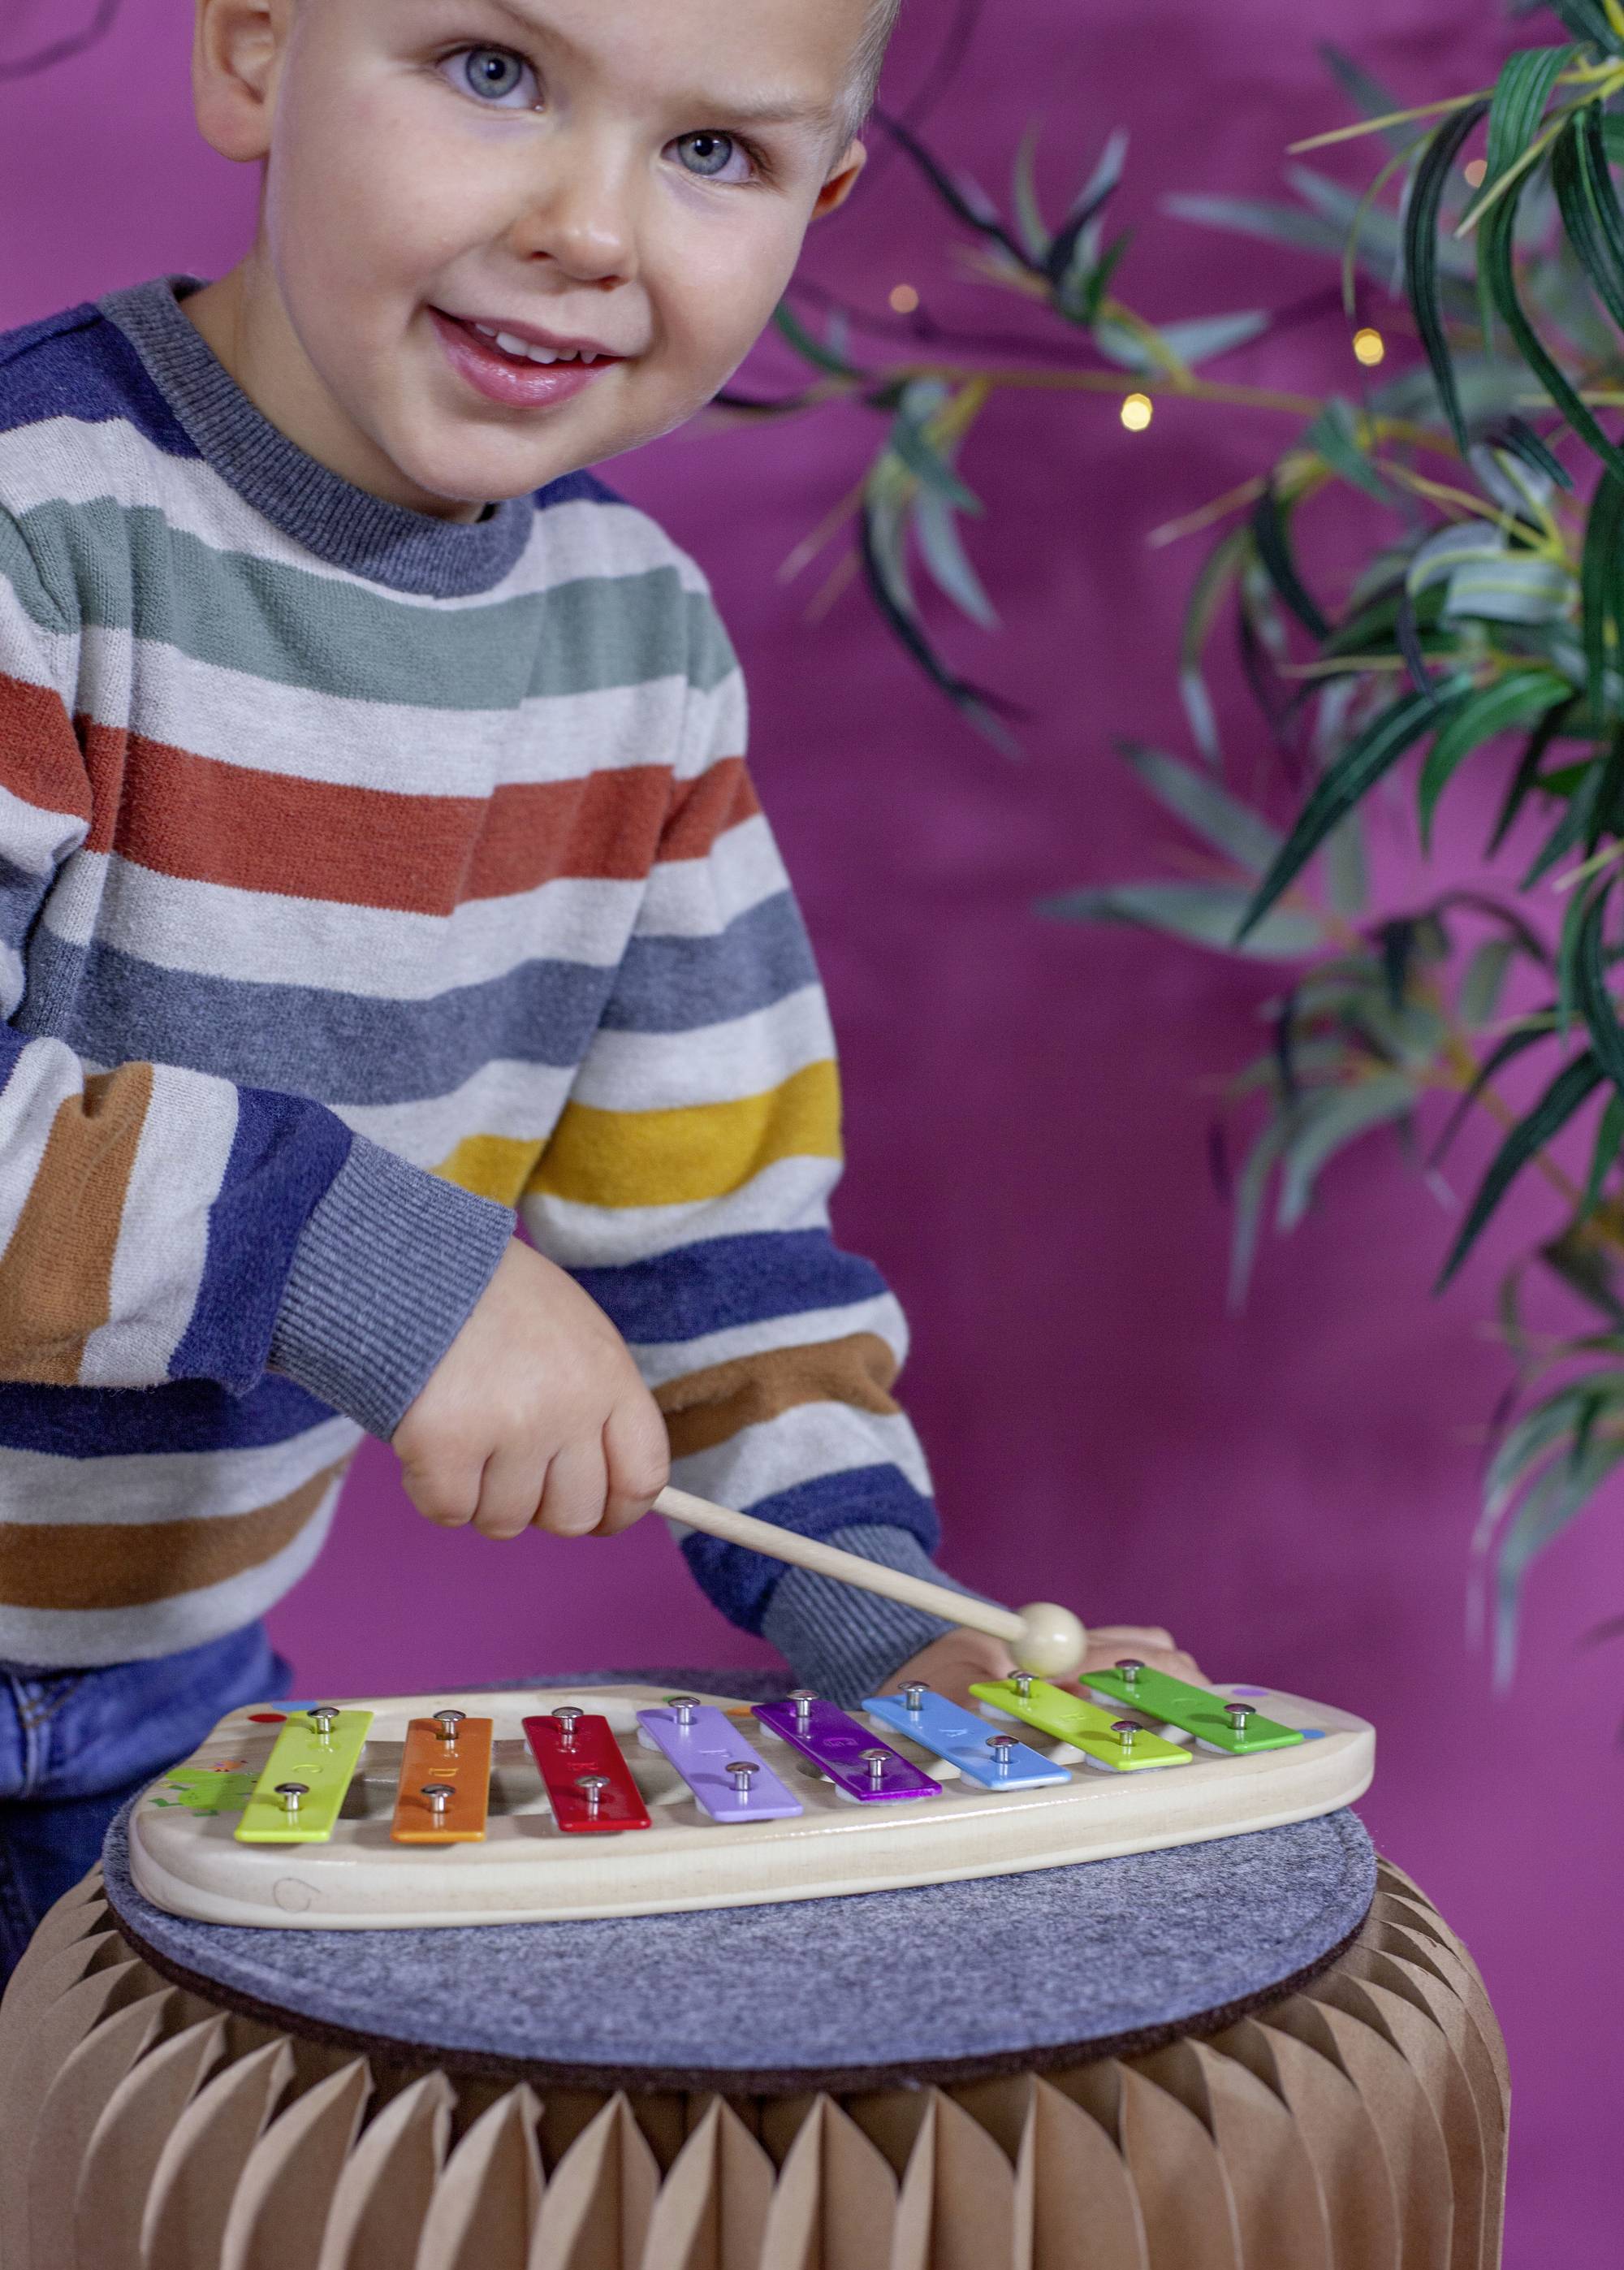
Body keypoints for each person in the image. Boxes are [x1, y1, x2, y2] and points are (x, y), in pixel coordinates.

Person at [0, 0, 1194, 1972]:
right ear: (251, 54)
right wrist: (361, 1258)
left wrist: (890, 1623)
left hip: (163, 1720)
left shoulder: (637, 656)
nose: (588, 225)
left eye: (715, 154)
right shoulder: (39, 530)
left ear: (826, 197)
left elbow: (709, 1244)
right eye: (493, 72)